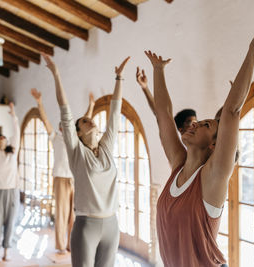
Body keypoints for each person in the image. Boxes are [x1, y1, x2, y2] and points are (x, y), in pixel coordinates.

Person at [150, 13, 254, 267]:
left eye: (205, 125)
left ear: (214, 144)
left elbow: (232, 111)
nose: (194, 123)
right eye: (196, 122)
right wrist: (158, 70)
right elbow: (163, 116)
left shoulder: (213, 177)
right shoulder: (178, 165)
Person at [43, 52, 129, 266]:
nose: (89, 120)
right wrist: (56, 73)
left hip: (111, 225)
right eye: (83, 121)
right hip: (86, 226)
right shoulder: (76, 152)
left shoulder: (107, 147)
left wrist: (118, 79)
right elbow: (65, 109)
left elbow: (115, 112)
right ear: (77, 133)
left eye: (90, 118)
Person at [31, 88, 95, 254]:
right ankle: (60, 246)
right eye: (61, 124)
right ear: (60, 128)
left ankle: (70, 244)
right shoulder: (55, 137)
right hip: (60, 178)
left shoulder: (74, 139)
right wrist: (39, 103)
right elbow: (45, 120)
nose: (62, 125)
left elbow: (85, 121)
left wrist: (92, 105)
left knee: (74, 214)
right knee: (61, 212)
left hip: (75, 179)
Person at [0, 101, 20, 262]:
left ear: (7, 142)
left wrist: (13, 115)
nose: (1, 137)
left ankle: (6, 252)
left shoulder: (12, 153)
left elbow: (17, 133)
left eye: (3, 137)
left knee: (10, 224)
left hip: (12, 192)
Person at [136, 68, 197, 134]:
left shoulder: (202, 142)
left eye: (196, 122)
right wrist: (145, 87)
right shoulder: (174, 142)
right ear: (181, 129)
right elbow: (160, 113)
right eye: (190, 122)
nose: (195, 125)